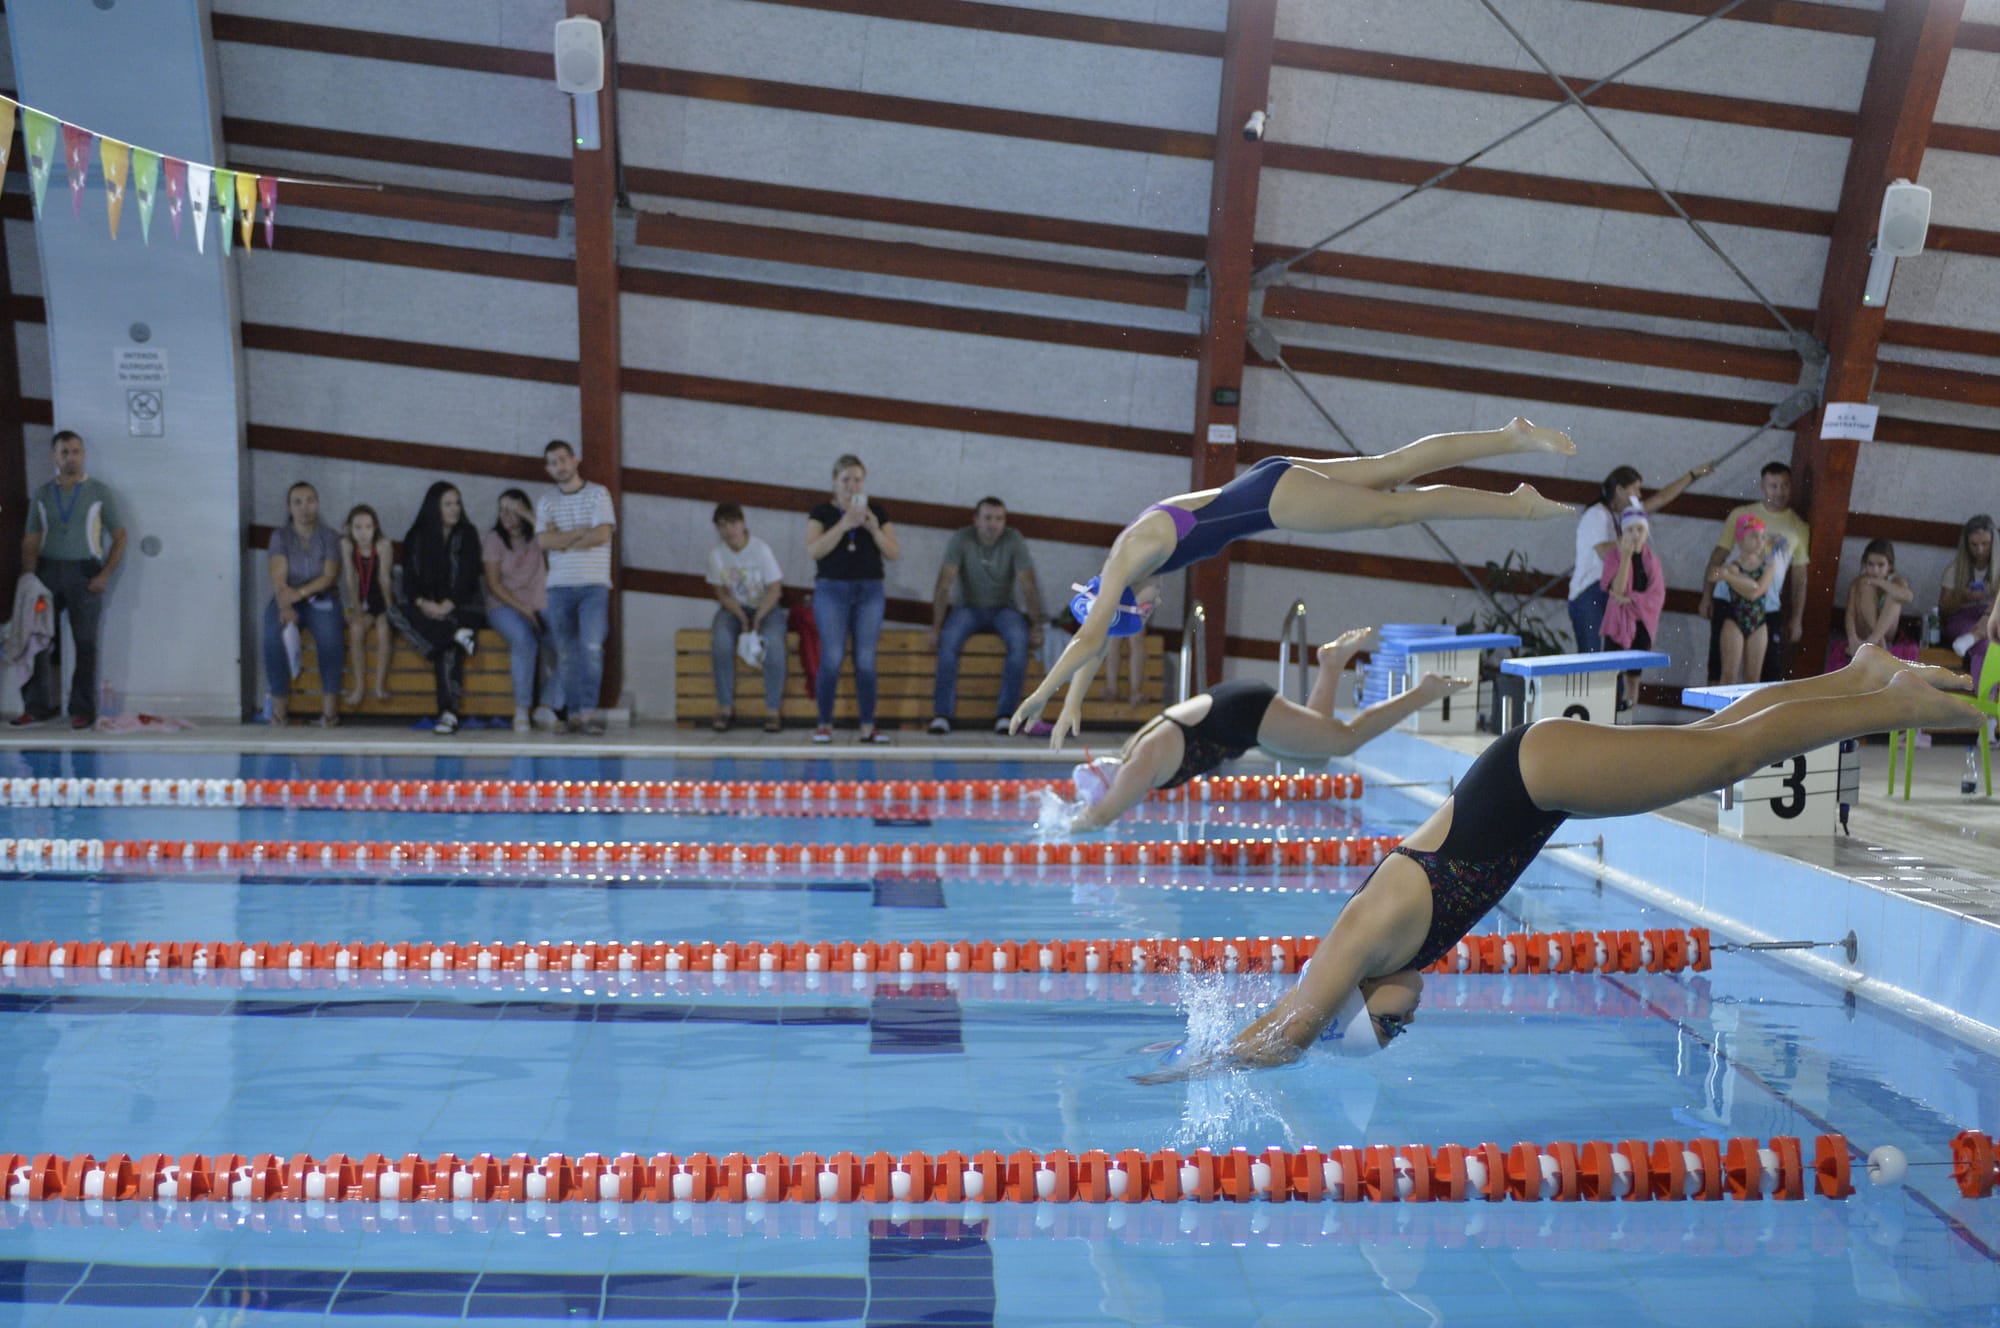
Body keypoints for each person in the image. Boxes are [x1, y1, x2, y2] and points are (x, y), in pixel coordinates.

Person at [1147, 646, 1983, 1077]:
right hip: (1537, 786)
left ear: (1358, 1006)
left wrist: (1202, 1070)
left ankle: (1890, 703)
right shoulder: (1390, 956)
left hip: (1534, 776)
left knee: (1728, 759)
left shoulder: (1361, 940)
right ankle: (1860, 676)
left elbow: (1293, 1024)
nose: (1404, 1025)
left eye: (1388, 1026)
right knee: (1715, 743)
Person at [1012, 418, 1578, 747]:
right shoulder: (1130, 565)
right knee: (1392, 467)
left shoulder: (1135, 553)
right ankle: (1511, 438)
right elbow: (1096, 636)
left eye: (1140, 613)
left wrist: (1041, 694)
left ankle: (1517, 506)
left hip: (1273, 502)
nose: (1153, 607)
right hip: (1268, 482)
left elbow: (1089, 635)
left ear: (1121, 601)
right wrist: (1072, 702)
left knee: (1396, 508)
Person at [1062, 628, 1466, 830]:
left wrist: (1061, 830)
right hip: (1233, 717)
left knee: (1345, 741)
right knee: (1318, 756)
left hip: (1241, 713)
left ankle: (1424, 691)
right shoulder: (1134, 754)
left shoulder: (1138, 766)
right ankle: (1331, 665)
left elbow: (1100, 817)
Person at [15, 430, 126, 730]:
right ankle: (36, 707)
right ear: (54, 456)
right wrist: (28, 577)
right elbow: (31, 538)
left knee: (85, 643)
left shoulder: (99, 492)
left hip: (85, 573)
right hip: (47, 574)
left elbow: (120, 537)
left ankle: (82, 709)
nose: (70, 457)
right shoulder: (42, 494)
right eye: (64, 452)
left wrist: (104, 574)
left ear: (83, 455)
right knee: (37, 640)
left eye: (76, 451)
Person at [929, 497, 1044, 735]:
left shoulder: (1013, 539)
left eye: (999, 519)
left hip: (1004, 608)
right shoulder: (962, 538)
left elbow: (1029, 585)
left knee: (1019, 643)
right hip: (967, 607)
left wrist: (1036, 625)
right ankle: (942, 715)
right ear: (976, 520)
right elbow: (943, 584)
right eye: (988, 518)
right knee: (947, 643)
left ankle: (1005, 715)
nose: (993, 524)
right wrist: (936, 627)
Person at [806, 454, 900, 744]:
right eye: (846, 480)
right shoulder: (822, 512)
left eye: (857, 480)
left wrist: (873, 528)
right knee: (832, 657)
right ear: (835, 482)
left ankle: (868, 726)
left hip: (869, 591)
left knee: (865, 660)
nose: (852, 485)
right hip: (832, 590)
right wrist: (843, 525)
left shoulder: (877, 511)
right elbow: (814, 551)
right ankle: (824, 724)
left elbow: (893, 552)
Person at [1568, 463, 1710, 652]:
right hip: (1589, 592)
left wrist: (1691, 475)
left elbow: (1661, 498)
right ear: (1619, 490)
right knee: (1592, 656)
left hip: (1610, 590)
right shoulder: (1597, 514)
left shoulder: (1623, 516)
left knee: (1611, 655)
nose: (1639, 495)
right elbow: (1603, 552)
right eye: (1635, 489)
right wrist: (1629, 544)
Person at [1701, 462, 1810, 682]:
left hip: (1767, 604)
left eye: (1785, 485)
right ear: (1763, 486)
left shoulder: (1799, 527)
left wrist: (1797, 618)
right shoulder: (1741, 514)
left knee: (1766, 674)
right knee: (1720, 669)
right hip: (1729, 599)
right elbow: (1719, 555)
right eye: (1773, 486)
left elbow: (1800, 578)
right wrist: (1706, 596)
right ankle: (1715, 706)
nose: (1779, 492)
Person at [537, 439, 617, 736]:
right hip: (559, 587)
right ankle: (573, 714)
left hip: (593, 585)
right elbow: (543, 541)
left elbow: (602, 535)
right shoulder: (546, 501)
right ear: (548, 469)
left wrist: (563, 539)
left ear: (575, 460)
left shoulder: (598, 494)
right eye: (553, 462)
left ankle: (588, 712)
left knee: (592, 647)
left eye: (563, 459)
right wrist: (581, 532)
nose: (559, 466)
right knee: (566, 653)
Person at [400, 481, 485, 736]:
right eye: (447, 504)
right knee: (395, 612)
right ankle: (454, 635)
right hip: (428, 609)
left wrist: (447, 606)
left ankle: (449, 713)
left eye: (457, 503)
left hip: (462, 607)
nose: (454, 508)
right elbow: (408, 582)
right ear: (434, 507)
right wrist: (423, 603)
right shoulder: (416, 537)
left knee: (448, 648)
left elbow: (468, 578)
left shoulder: (467, 534)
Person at [260, 481, 343, 727]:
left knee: (330, 638)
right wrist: (286, 605)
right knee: (273, 635)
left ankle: (329, 713)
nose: (304, 507)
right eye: (298, 502)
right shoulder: (280, 536)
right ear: (289, 507)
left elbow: (329, 576)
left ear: (317, 504)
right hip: (286, 596)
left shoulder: (329, 536)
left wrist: (301, 593)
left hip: (322, 597)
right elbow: (278, 576)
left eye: (310, 501)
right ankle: (279, 711)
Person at [484, 488, 561, 734]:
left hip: (540, 602)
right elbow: (494, 585)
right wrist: (525, 610)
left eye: (511, 510)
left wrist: (527, 515)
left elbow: (555, 539)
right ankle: (521, 710)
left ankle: (546, 706)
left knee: (570, 642)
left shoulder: (536, 535)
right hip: (505, 605)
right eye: (501, 510)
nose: (506, 515)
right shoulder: (494, 539)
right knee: (524, 640)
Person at [706, 502, 787, 734]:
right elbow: (722, 593)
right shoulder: (716, 555)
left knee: (774, 643)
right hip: (734, 609)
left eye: (733, 523)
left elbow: (775, 589)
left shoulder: (760, 549)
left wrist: (758, 618)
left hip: (766, 607)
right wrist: (741, 617)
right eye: (722, 526)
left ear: (742, 524)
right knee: (721, 641)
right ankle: (725, 708)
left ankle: (773, 711)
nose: (729, 530)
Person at [1599, 503, 1665, 711]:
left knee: (1633, 678)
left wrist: (1633, 599)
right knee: (1609, 675)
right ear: (1622, 533)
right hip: (1617, 624)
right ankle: (1608, 717)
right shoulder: (1614, 557)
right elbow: (1617, 590)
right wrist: (1626, 556)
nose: (1635, 535)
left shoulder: (1652, 562)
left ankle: (1629, 717)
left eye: (1640, 530)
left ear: (1646, 533)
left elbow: (1656, 596)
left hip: (1641, 623)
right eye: (1630, 530)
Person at [1711, 513, 1780, 686]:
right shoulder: (1733, 566)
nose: (1759, 541)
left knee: (1753, 680)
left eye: (1762, 537)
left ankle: (1748, 706)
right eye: (1754, 536)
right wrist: (1730, 576)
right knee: (1728, 677)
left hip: (1759, 623)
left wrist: (1727, 577)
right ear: (1740, 540)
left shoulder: (1768, 565)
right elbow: (1750, 588)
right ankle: (1725, 705)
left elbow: (1755, 592)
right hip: (1734, 620)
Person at [1829, 539, 1916, 672]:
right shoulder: (1859, 582)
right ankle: (1877, 640)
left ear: (1890, 566)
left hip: (1886, 635)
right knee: (1866, 587)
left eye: (1881, 565)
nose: (1875, 570)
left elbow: (1908, 596)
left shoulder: (1897, 581)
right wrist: (1852, 639)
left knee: (1895, 594)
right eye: (1871, 564)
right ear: (1865, 564)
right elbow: (1850, 614)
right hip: (1864, 632)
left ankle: (1875, 639)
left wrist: (1879, 582)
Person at [339, 504, 394, 708]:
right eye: (358, 527)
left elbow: (385, 579)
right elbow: (350, 578)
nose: (363, 533)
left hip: (383, 599)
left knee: (383, 629)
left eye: (368, 527)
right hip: (362, 600)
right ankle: (359, 686)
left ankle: (379, 685)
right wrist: (356, 610)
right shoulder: (346, 544)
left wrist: (391, 610)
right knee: (356, 629)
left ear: (375, 527)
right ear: (350, 528)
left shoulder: (383, 545)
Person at [1940, 514, 1995, 682]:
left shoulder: (1998, 568)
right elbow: (1943, 611)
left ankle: (1976, 635)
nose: (1980, 550)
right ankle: (1985, 694)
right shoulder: (1955, 569)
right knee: (1986, 643)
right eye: (1974, 544)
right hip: (1963, 617)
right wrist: (1962, 597)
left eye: (1985, 544)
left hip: (1992, 616)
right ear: (1966, 544)